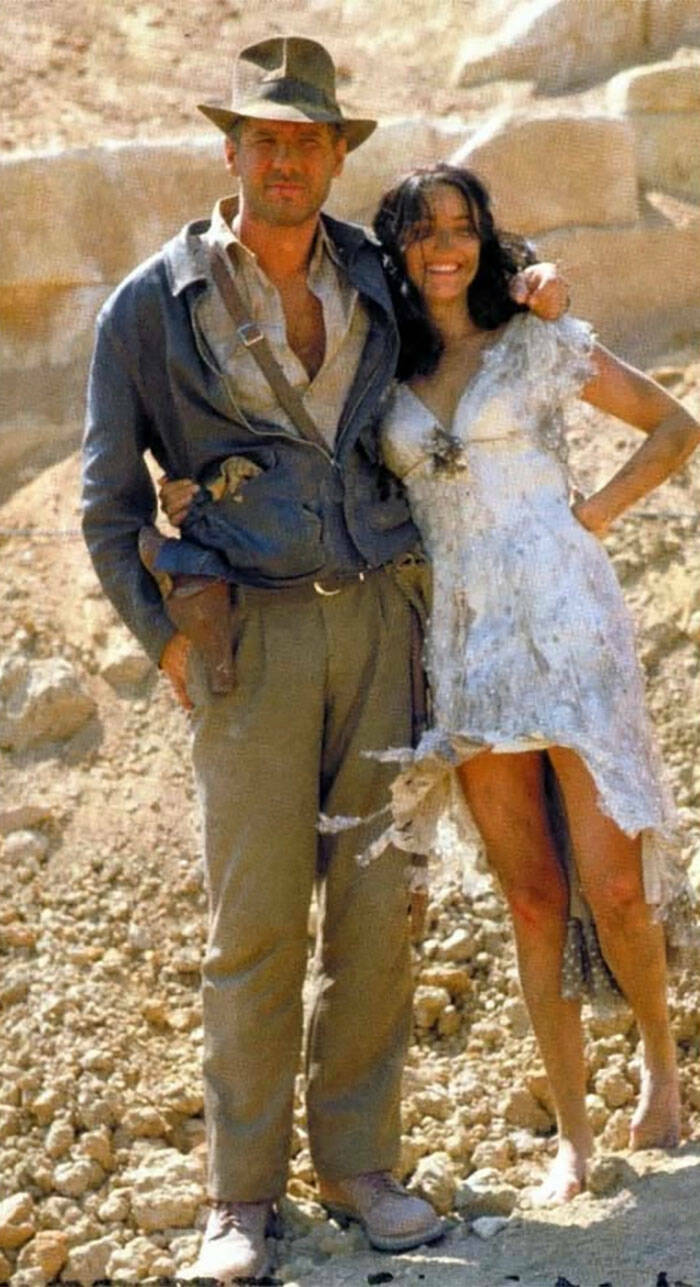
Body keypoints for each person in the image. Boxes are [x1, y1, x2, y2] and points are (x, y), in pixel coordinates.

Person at [81, 37, 568, 1281]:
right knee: (254, 924)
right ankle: (240, 1200)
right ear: (231, 149)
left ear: (338, 153)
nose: (285, 160)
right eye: (264, 139)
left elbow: (470, 294)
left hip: (381, 621)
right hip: (244, 641)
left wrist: (536, 280)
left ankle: (360, 1168)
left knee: (375, 911)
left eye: (308, 141)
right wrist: (162, 642)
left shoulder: (373, 272)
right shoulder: (151, 304)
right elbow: (106, 504)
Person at [359, 163, 698, 1204]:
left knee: (612, 885)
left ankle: (662, 1068)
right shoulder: (379, 372)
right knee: (532, 896)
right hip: (467, 646)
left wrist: (588, 519)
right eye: (423, 230)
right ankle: (574, 1139)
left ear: (485, 239)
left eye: (462, 227)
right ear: (397, 248)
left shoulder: (535, 339)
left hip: (569, 626)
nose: (444, 247)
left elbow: (674, 426)